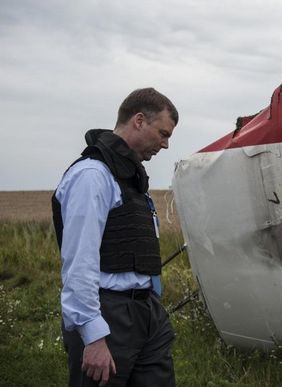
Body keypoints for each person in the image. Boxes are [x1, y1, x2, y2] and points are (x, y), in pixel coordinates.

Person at [52, 88, 179, 386]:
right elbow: (79, 261)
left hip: (146, 312)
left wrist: (153, 308)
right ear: (138, 121)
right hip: (108, 314)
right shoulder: (92, 175)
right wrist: (92, 335)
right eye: (163, 133)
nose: (166, 144)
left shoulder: (131, 178)